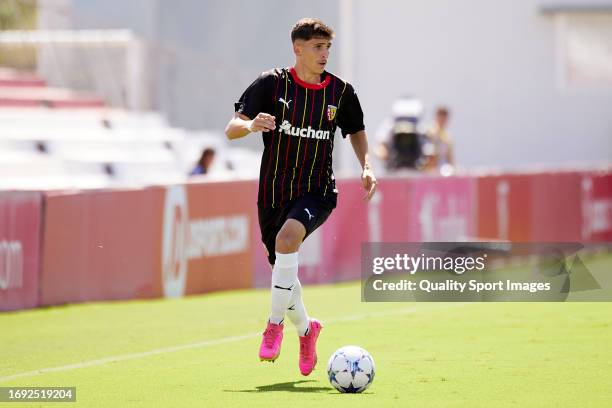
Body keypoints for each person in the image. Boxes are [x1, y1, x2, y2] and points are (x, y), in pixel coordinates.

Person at [224, 18, 377, 376]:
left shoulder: (340, 93)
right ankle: (307, 331)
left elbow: (356, 130)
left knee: (288, 239)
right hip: (273, 192)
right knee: (283, 271)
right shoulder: (271, 84)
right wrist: (250, 125)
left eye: (327, 48)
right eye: (317, 47)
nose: (324, 54)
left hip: (317, 190)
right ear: (298, 49)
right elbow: (232, 127)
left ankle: (273, 325)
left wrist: (366, 165)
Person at [375, 96, 426, 171]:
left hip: (415, 170)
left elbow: (427, 148)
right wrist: (384, 154)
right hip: (393, 169)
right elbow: (380, 146)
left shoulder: (420, 127)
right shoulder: (389, 125)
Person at [424, 106, 454, 174]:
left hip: (443, 170)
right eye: (440, 117)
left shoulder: (448, 137)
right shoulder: (429, 133)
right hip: (430, 171)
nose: (442, 120)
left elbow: (450, 157)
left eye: (444, 118)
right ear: (436, 117)